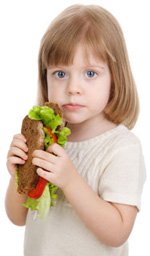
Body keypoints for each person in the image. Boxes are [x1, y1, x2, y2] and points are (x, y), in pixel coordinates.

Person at [5, 4, 146, 256]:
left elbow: (117, 233)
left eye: (90, 73)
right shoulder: (46, 138)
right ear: (44, 77)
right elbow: (17, 217)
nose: (73, 87)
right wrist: (18, 176)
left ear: (115, 79)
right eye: (60, 73)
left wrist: (70, 181)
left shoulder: (122, 148)